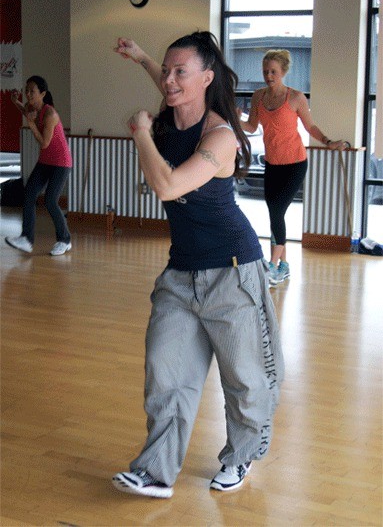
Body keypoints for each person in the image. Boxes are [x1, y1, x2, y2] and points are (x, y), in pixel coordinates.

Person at [112, 32, 284, 498]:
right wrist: (144, 57)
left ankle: (241, 456)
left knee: (245, 378)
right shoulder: (172, 116)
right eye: (166, 70)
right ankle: (156, 470)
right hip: (180, 273)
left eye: (180, 71)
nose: (169, 80)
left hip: (232, 271)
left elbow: (167, 186)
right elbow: (168, 84)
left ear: (207, 78)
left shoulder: (220, 136)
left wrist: (142, 132)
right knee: (165, 373)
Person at [241, 49, 348, 285]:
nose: (269, 76)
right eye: (265, 71)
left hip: (295, 164)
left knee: (277, 212)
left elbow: (310, 127)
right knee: (274, 214)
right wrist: (234, 118)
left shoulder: (296, 98)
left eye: (273, 72)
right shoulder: (258, 97)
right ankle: (284, 266)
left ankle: (272, 265)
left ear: (283, 72)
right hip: (272, 164)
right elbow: (251, 127)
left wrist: (329, 142)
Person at [5, 76, 72, 256]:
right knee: (29, 195)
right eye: (26, 91)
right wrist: (15, 102)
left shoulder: (50, 114)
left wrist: (31, 123)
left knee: (50, 200)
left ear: (42, 94)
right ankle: (26, 239)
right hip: (45, 162)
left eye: (32, 92)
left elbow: (44, 143)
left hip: (60, 163)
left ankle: (64, 240)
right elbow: (24, 111)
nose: (28, 94)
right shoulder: (31, 107)